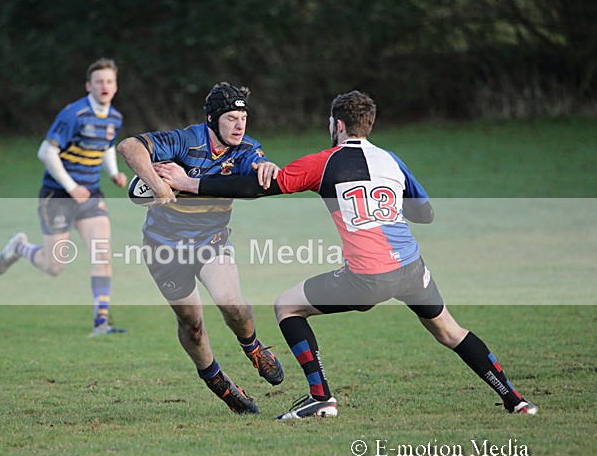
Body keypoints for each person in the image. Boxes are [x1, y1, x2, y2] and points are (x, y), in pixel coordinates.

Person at [156, 89, 538, 419]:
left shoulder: (324, 162)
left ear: (336, 125)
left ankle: (321, 398)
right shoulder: (391, 160)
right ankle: (515, 400)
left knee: (287, 306)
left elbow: (259, 188)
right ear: (368, 125)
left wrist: (190, 182)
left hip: (367, 277)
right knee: (450, 331)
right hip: (411, 270)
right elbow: (425, 214)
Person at [117, 82, 284, 415]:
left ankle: (253, 348)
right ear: (212, 119)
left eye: (243, 117)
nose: (240, 125)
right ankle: (217, 381)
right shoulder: (184, 141)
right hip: (164, 248)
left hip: (211, 240)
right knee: (192, 323)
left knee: (231, 304)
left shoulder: (246, 149)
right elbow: (129, 146)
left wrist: (266, 169)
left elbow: (256, 176)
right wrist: (159, 186)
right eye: (231, 118)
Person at [0, 58, 128, 336]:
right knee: (55, 266)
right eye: (99, 81)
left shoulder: (114, 117)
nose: (104, 86)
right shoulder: (73, 115)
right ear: (88, 86)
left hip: (91, 194)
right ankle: (20, 248)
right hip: (58, 195)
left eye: (109, 81)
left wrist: (114, 172)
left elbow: (106, 146)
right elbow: (46, 152)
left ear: (115, 87)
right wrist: (70, 187)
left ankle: (101, 323)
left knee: (102, 253)